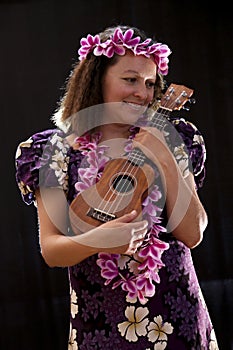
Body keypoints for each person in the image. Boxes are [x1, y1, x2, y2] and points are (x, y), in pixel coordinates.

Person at [15, 24, 219, 349]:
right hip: (100, 324)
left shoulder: (175, 136)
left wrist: (163, 155)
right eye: (130, 79)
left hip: (178, 315)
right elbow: (52, 249)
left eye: (151, 83)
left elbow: (193, 233)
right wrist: (99, 240)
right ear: (97, 79)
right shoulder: (52, 151)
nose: (143, 92)